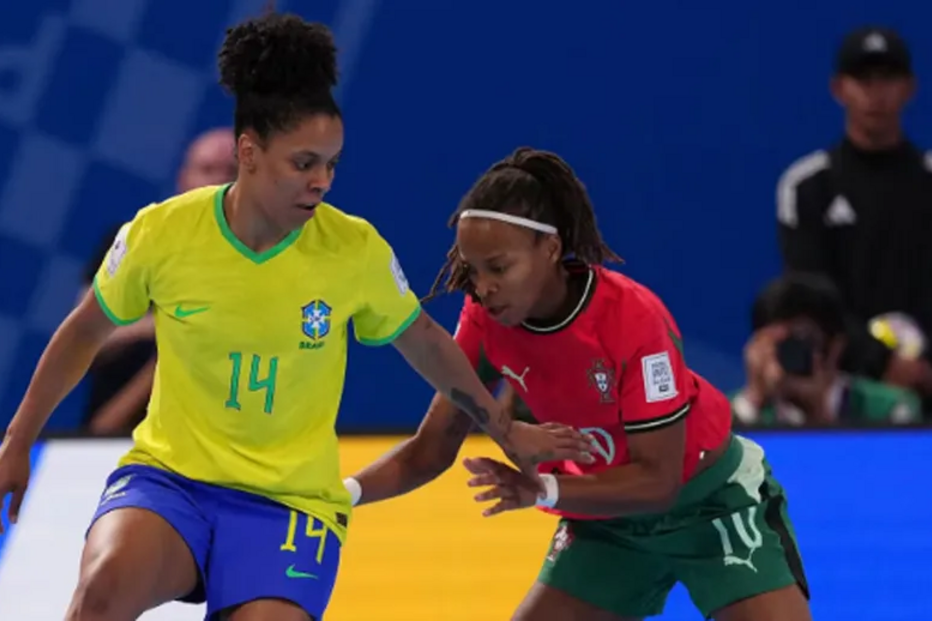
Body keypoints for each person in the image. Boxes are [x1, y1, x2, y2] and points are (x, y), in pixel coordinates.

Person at [0, 14, 590, 621]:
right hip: (171, 481)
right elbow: (81, 336)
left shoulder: (353, 250)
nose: (322, 181)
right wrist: (17, 441)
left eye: (331, 164)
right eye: (304, 163)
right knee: (100, 595)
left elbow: (430, 346)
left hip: (289, 505)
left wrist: (502, 424)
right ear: (248, 153)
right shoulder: (163, 232)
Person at [345, 148, 812, 621]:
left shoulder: (631, 319)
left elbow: (658, 481)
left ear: (549, 250)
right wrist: (343, 494)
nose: (482, 287)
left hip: (710, 505)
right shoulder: (485, 321)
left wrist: (542, 490)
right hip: (607, 527)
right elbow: (431, 449)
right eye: (472, 270)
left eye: (499, 267)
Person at [777, 26, 932, 402]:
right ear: (839, 88)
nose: (875, 94)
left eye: (887, 79)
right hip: (839, 390)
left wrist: (922, 367)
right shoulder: (807, 186)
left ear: (909, 88)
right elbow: (810, 295)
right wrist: (881, 364)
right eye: (863, 79)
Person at [80, 128, 237, 435]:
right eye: (207, 170)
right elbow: (87, 340)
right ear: (183, 179)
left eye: (231, 172)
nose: (218, 182)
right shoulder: (135, 241)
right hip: (115, 439)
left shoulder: (270, 258)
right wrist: (167, 325)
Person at [732, 274, 921, 427]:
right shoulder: (729, 412)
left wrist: (818, 414)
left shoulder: (890, 408)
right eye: (777, 342)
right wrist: (754, 400)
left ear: (836, 346)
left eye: (803, 340)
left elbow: (888, 470)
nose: (791, 351)